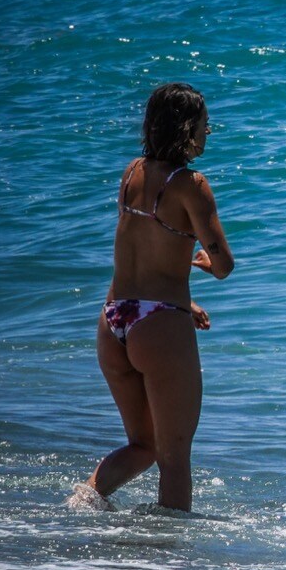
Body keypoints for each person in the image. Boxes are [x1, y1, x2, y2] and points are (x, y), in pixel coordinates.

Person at [86, 83, 234, 510]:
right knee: (173, 460)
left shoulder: (132, 172)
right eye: (205, 125)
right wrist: (207, 264)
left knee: (143, 446)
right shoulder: (191, 185)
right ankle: (172, 565)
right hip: (157, 326)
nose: (209, 132)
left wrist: (184, 303)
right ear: (187, 130)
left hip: (115, 318)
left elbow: (140, 254)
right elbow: (223, 265)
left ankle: (81, 502)